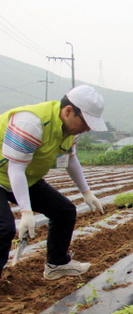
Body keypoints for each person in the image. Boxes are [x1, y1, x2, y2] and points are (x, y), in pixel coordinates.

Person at [0, 85, 107, 279]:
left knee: (64, 211)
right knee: (4, 229)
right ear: (68, 111)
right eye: (86, 122)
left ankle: (56, 265)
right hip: (8, 173)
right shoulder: (31, 123)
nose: (88, 129)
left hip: (24, 177)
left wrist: (86, 191)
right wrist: (26, 211)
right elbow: (15, 168)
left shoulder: (69, 131)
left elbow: (70, 159)